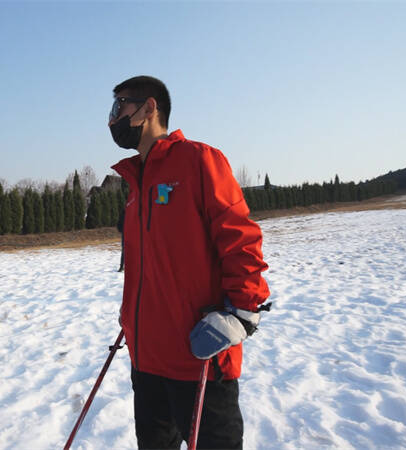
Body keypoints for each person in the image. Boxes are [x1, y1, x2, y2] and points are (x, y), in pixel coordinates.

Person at [108, 76, 271, 449]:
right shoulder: (135, 183)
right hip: (146, 361)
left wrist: (243, 312)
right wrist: (131, 318)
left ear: (149, 108)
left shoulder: (198, 160)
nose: (112, 119)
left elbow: (241, 237)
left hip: (199, 357)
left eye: (120, 107)